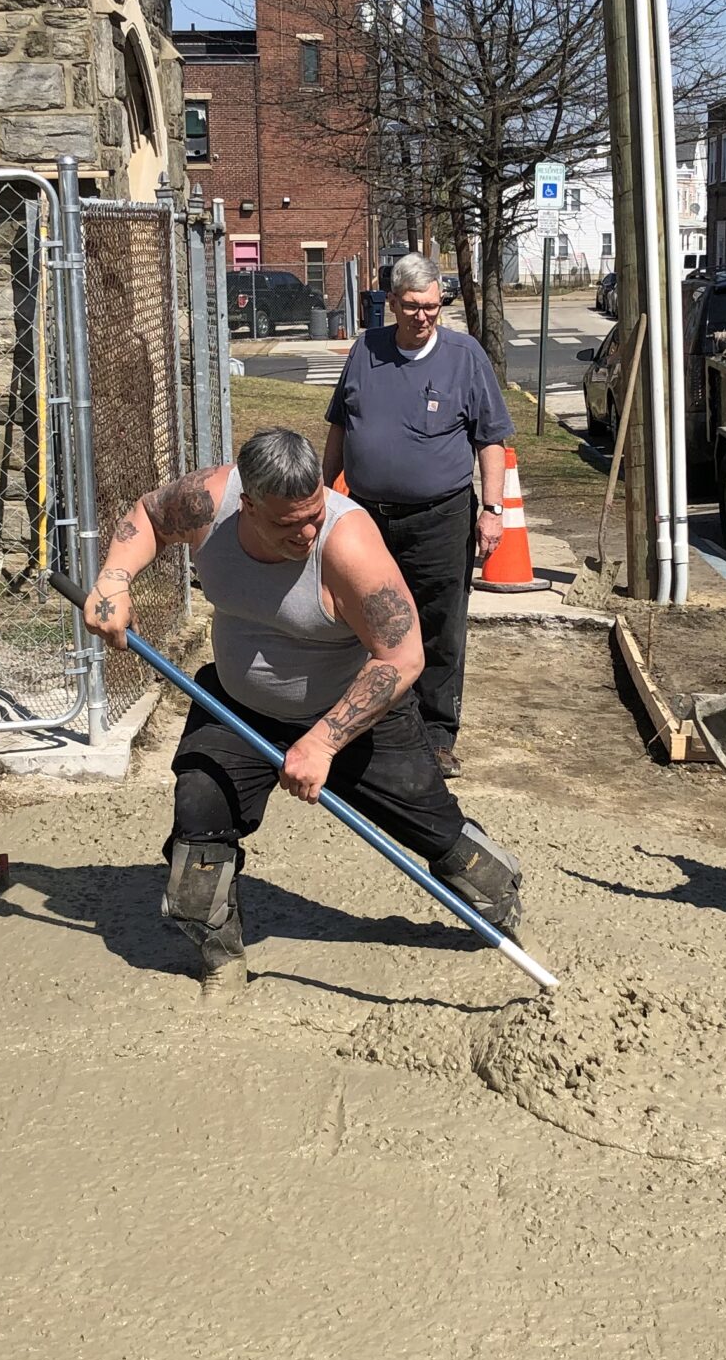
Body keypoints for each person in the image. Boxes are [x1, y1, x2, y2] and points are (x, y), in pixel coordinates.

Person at [83, 427, 523, 998]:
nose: (308, 531)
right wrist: (114, 579)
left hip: (353, 711)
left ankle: (501, 895)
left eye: (314, 512)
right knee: (199, 814)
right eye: (290, 524)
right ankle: (220, 958)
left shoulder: (348, 544)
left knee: (435, 826)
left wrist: (322, 742)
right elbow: (149, 515)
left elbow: (403, 655)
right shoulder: (207, 503)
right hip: (237, 706)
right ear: (248, 505)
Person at [320, 252, 514, 779]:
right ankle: (364, 720)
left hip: (440, 516)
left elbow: (490, 439)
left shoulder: (463, 355)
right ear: (391, 304)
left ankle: (436, 733)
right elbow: (340, 427)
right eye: (412, 306)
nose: (424, 316)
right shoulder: (367, 350)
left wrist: (492, 510)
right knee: (364, 617)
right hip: (366, 516)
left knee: (438, 623)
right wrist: (321, 497)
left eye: (432, 306)